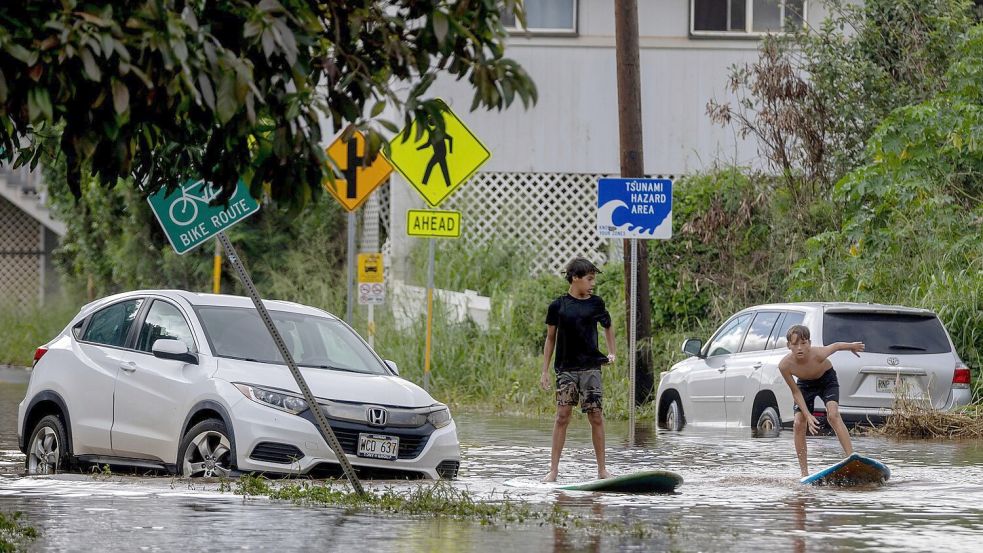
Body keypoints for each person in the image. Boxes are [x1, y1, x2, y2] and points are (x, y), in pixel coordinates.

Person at [540, 257, 616, 482]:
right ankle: (553, 470)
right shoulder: (558, 306)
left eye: (594, 279)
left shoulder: (596, 303)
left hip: (591, 368)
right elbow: (550, 338)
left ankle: (602, 469)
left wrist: (612, 352)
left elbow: (608, 326)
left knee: (596, 416)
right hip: (566, 368)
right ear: (575, 278)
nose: (592, 284)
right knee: (562, 416)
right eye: (589, 279)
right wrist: (545, 370)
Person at [778, 324, 864, 477]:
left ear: (809, 344)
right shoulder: (785, 365)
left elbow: (836, 346)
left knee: (833, 415)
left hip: (826, 380)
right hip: (804, 385)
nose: (800, 348)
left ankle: (852, 458)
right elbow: (796, 392)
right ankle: (804, 473)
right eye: (795, 344)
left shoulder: (818, 354)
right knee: (798, 423)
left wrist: (851, 346)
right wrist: (807, 415)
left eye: (803, 343)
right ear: (788, 345)